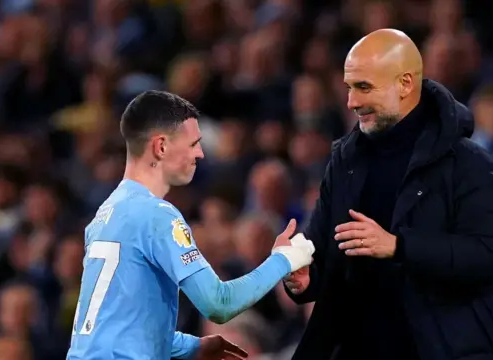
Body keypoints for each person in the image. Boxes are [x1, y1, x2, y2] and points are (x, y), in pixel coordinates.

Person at [283, 29, 493, 360]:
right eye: (349, 88)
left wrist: (398, 246)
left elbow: (490, 258)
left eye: (364, 87)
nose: (352, 102)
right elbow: (324, 252)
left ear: (405, 84)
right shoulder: (345, 162)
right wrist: (302, 276)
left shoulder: (468, 163)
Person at [66, 91, 315, 360]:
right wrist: (283, 259)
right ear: (161, 147)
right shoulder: (157, 215)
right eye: (193, 143)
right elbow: (218, 304)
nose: (200, 153)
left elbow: (115, 328)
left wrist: (192, 347)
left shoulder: (105, 214)